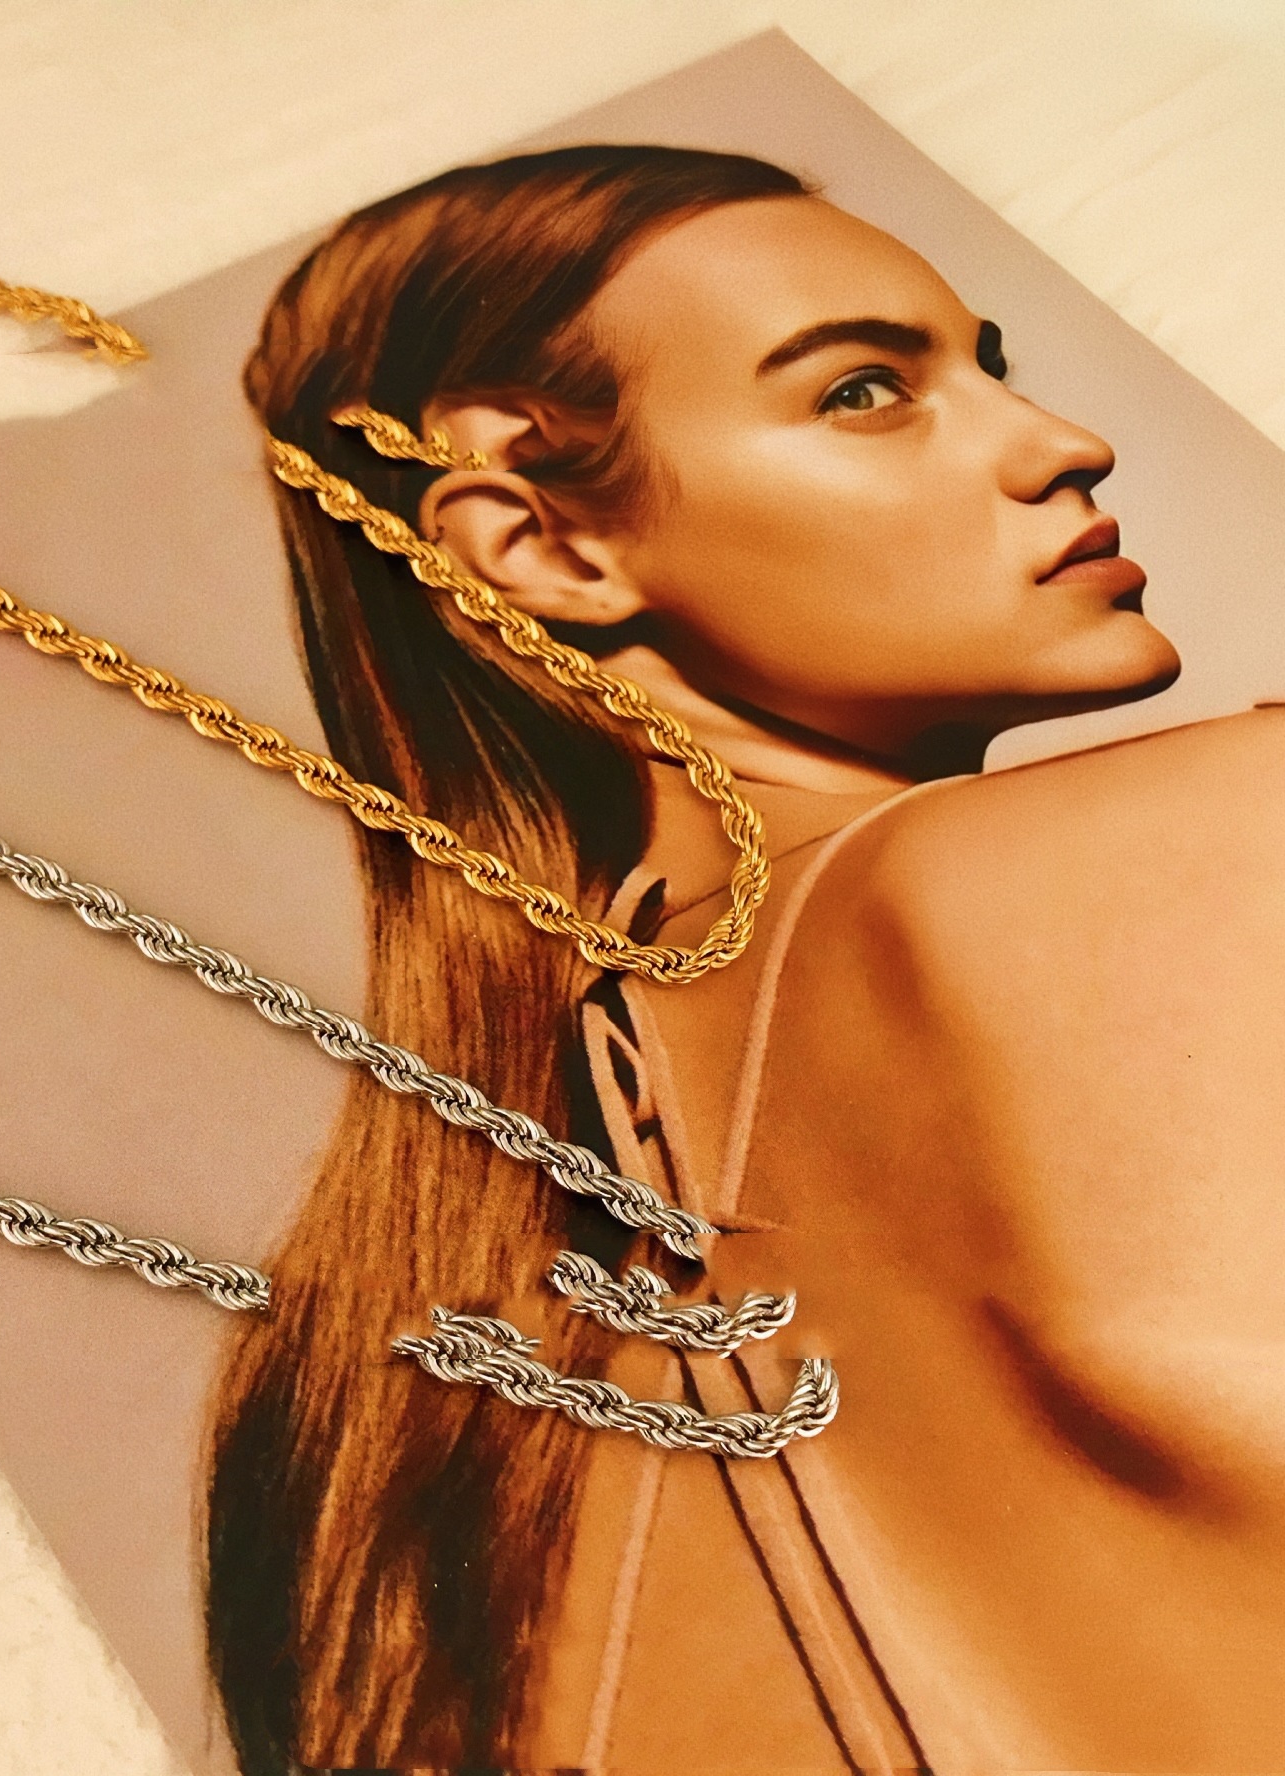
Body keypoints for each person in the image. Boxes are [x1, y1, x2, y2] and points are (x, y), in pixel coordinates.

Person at [205, 144, 1285, 1772]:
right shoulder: (1161, 847)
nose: (1062, 444)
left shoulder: (373, 1359)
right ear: (543, 547)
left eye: (989, 367)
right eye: (865, 392)